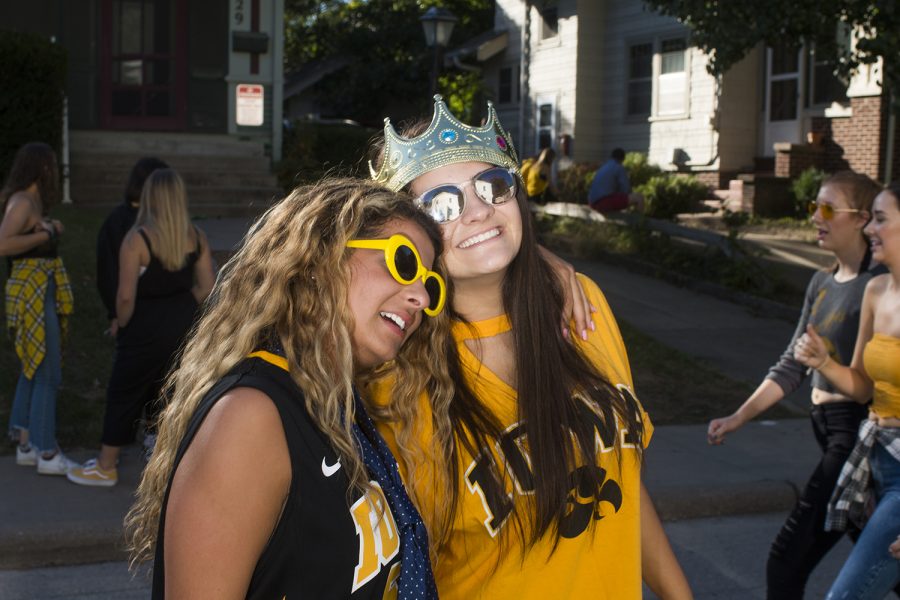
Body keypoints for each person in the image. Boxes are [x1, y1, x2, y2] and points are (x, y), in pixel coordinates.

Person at [367, 95, 691, 599]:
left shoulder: (583, 308)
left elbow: (623, 483)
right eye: (442, 205)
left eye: (492, 187)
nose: (477, 211)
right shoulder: (397, 371)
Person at [124, 178, 447, 599]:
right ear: (321, 256)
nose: (421, 296)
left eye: (432, 285)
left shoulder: (337, 406)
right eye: (404, 263)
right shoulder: (249, 418)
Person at [707, 171, 885, 599]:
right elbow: (792, 364)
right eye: (813, 208)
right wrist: (739, 416)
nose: (815, 218)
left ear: (862, 219)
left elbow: (870, 381)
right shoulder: (821, 283)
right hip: (827, 431)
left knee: (786, 561)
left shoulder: (878, 287)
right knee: (879, 556)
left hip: (855, 433)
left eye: (827, 209)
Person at [68, 168, 215, 487]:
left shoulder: (137, 239)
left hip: (144, 326)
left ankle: (106, 465)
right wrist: (181, 303)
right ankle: (165, 464)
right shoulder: (195, 236)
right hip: (182, 325)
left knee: (124, 392)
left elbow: (124, 296)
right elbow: (207, 286)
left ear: (149, 198)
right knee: (169, 391)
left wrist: (121, 322)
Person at [794, 182, 900, 599]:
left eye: (881, 219)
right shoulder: (877, 292)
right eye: (871, 217)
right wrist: (824, 364)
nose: (870, 229)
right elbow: (861, 388)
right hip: (876, 462)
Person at [0, 142, 75, 475]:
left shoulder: (29, 201)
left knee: (33, 365)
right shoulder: (22, 201)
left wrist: (45, 226)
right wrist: (43, 234)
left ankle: (26, 443)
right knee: (47, 371)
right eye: (51, 166)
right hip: (32, 289)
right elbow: (2, 244)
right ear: (41, 168)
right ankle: (47, 453)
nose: (54, 172)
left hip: (39, 287)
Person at [96, 157, 168, 337]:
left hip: (163, 312)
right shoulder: (119, 221)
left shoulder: (165, 220)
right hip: (134, 312)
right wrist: (115, 314)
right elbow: (108, 270)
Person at [588, 147, 644, 213]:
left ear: (611, 157)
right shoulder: (619, 167)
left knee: (621, 198)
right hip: (603, 202)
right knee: (639, 198)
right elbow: (626, 190)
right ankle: (639, 221)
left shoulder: (604, 166)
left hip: (592, 203)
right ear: (622, 159)